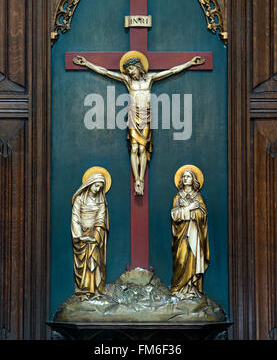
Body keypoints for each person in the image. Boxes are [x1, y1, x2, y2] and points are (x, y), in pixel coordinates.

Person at [73, 51, 205, 196]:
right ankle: (137, 179)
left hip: (146, 116)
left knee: (143, 149)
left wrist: (189, 63)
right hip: (133, 115)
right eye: (128, 70)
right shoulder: (128, 81)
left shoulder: (150, 79)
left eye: (132, 69)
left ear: (138, 67)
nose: (130, 72)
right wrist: (87, 64)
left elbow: (171, 71)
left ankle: (141, 178)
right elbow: (105, 72)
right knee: (134, 148)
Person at [71, 166, 111, 299]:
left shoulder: (100, 201)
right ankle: (83, 291)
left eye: (100, 187)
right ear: (90, 184)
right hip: (81, 236)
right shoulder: (79, 200)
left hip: (94, 236)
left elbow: (101, 219)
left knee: (94, 260)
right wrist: (80, 236)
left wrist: (94, 237)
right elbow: (75, 218)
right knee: (84, 265)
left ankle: (93, 291)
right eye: (96, 186)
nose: (98, 189)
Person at [171, 165, 210, 299]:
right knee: (181, 261)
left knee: (193, 260)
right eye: (184, 176)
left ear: (193, 180)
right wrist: (189, 208)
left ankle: (191, 289)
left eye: (188, 176)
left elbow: (203, 215)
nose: (185, 178)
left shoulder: (198, 197)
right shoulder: (177, 197)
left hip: (194, 234)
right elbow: (174, 216)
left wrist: (194, 212)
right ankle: (178, 289)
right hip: (181, 234)